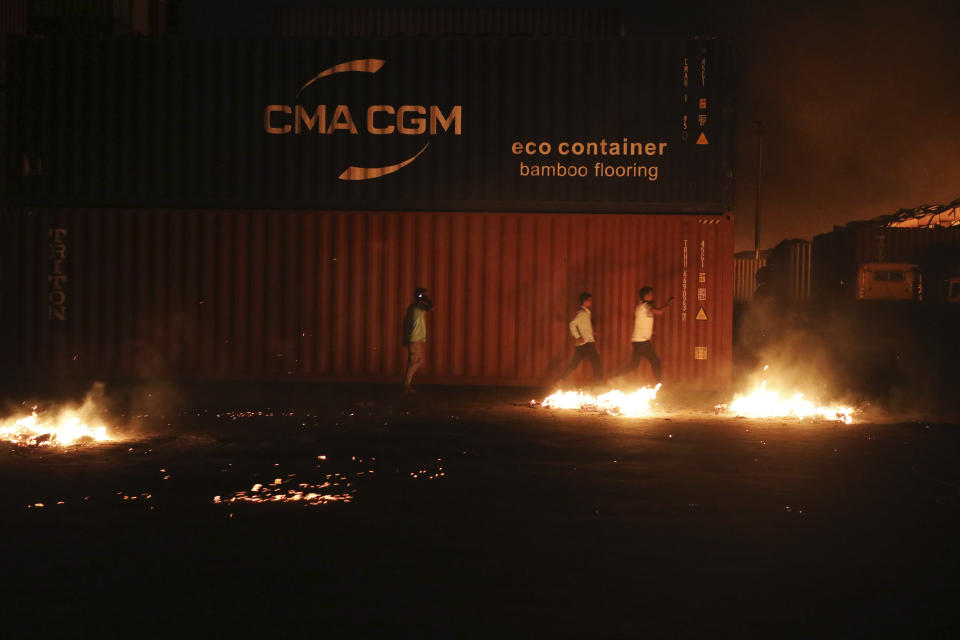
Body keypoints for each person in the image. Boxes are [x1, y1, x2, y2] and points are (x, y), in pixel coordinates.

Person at [617, 286, 672, 384]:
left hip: (637, 341)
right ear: (645, 296)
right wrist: (668, 303)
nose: (652, 296)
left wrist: (650, 332)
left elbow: (644, 321)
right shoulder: (646, 306)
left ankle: (615, 377)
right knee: (656, 362)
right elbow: (659, 312)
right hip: (642, 342)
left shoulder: (642, 307)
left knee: (634, 364)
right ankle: (659, 384)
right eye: (650, 295)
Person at [559, 292, 603, 385]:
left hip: (582, 344)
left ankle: (561, 380)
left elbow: (584, 327)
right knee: (597, 363)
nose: (591, 302)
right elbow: (572, 324)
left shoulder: (584, 313)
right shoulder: (582, 313)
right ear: (585, 301)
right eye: (589, 300)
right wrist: (577, 336)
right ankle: (598, 385)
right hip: (588, 343)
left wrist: (592, 332)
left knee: (574, 364)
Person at [402, 287, 433, 393]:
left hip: (414, 338)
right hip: (415, 338)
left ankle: (406, 384)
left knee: (417, 361)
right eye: (422, 294)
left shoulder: (411, 307)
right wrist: (426, 299)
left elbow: (405, 323)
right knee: (414, 361)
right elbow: (431, 307)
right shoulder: (419, 306)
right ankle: (406, 385)